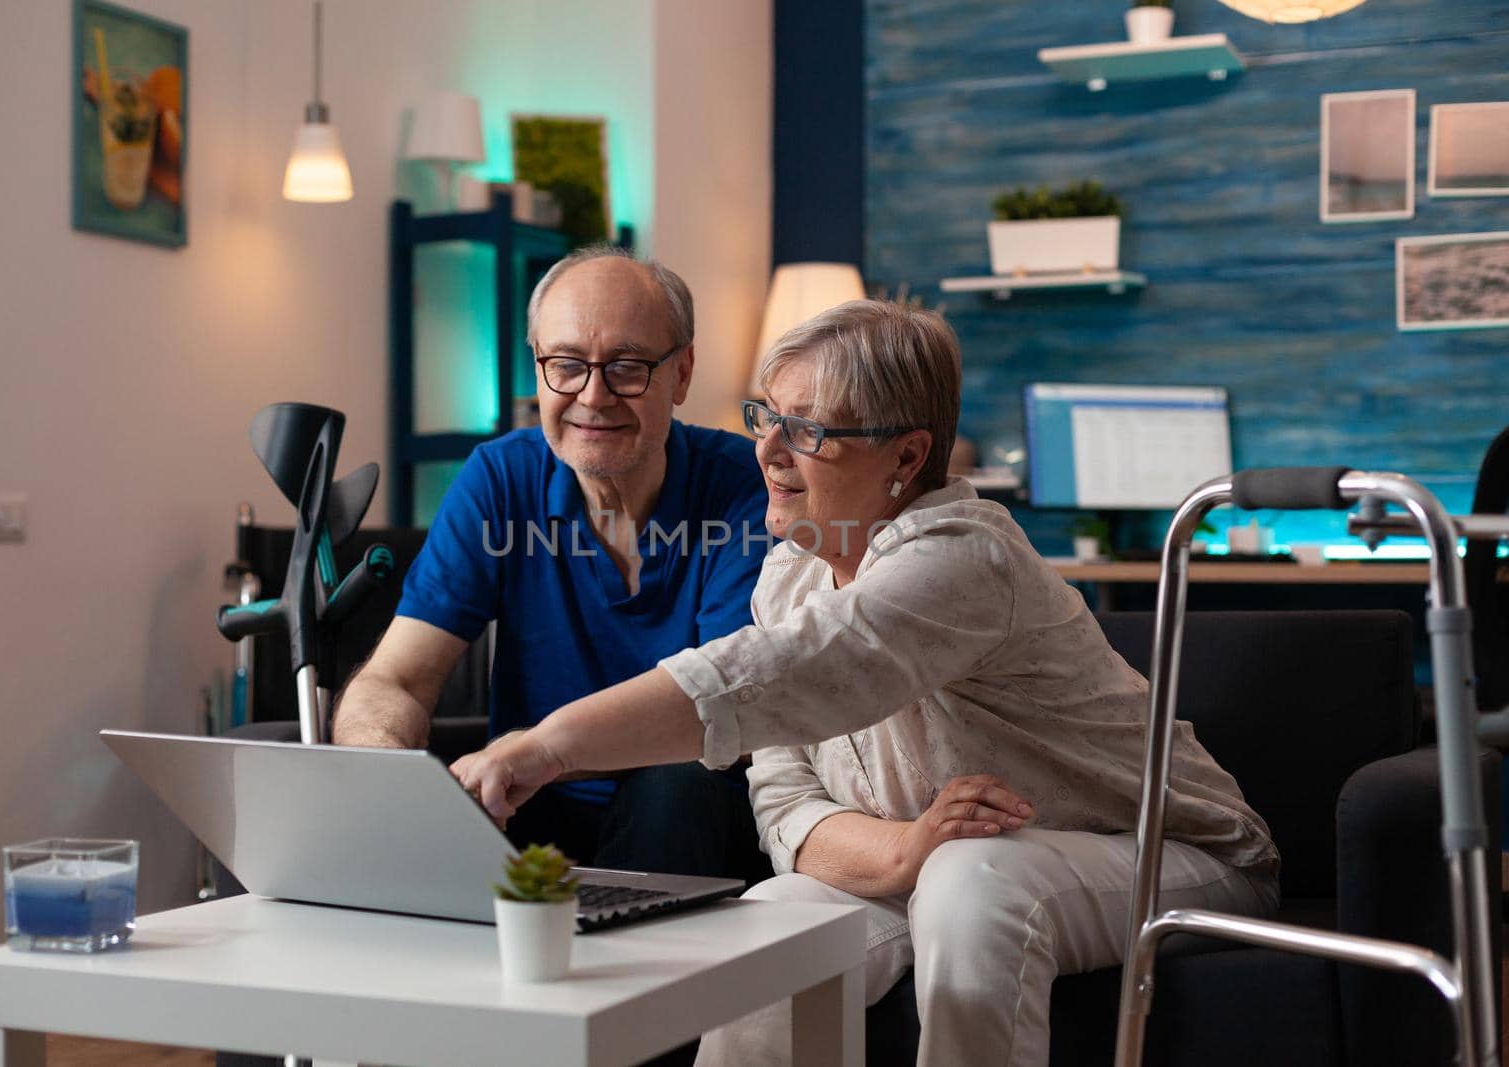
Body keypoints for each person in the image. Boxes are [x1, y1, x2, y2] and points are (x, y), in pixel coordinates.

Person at [453, 299, 1280, 1066]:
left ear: (908, 454)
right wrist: (907, 847)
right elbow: (782, 800)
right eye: (765, 418)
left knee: (973, 878)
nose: (768, 453)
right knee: (770, 926)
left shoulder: (961, 556)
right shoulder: (790, 576)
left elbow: (780, 677)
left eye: (805, 430)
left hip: (1171, 858)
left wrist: (545, 747)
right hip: (938, 864)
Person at [333, 247, 772, 886]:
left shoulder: (746, 488)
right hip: (532, 813)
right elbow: (396, 679)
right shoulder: (500, 477)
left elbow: (718, 704)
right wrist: (388, 777)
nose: (592, 397)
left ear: (681, 375)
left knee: (681, 785)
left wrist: (543, 751)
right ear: (538, 370)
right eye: (565, 365)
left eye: (626, 367)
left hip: (694, 820)